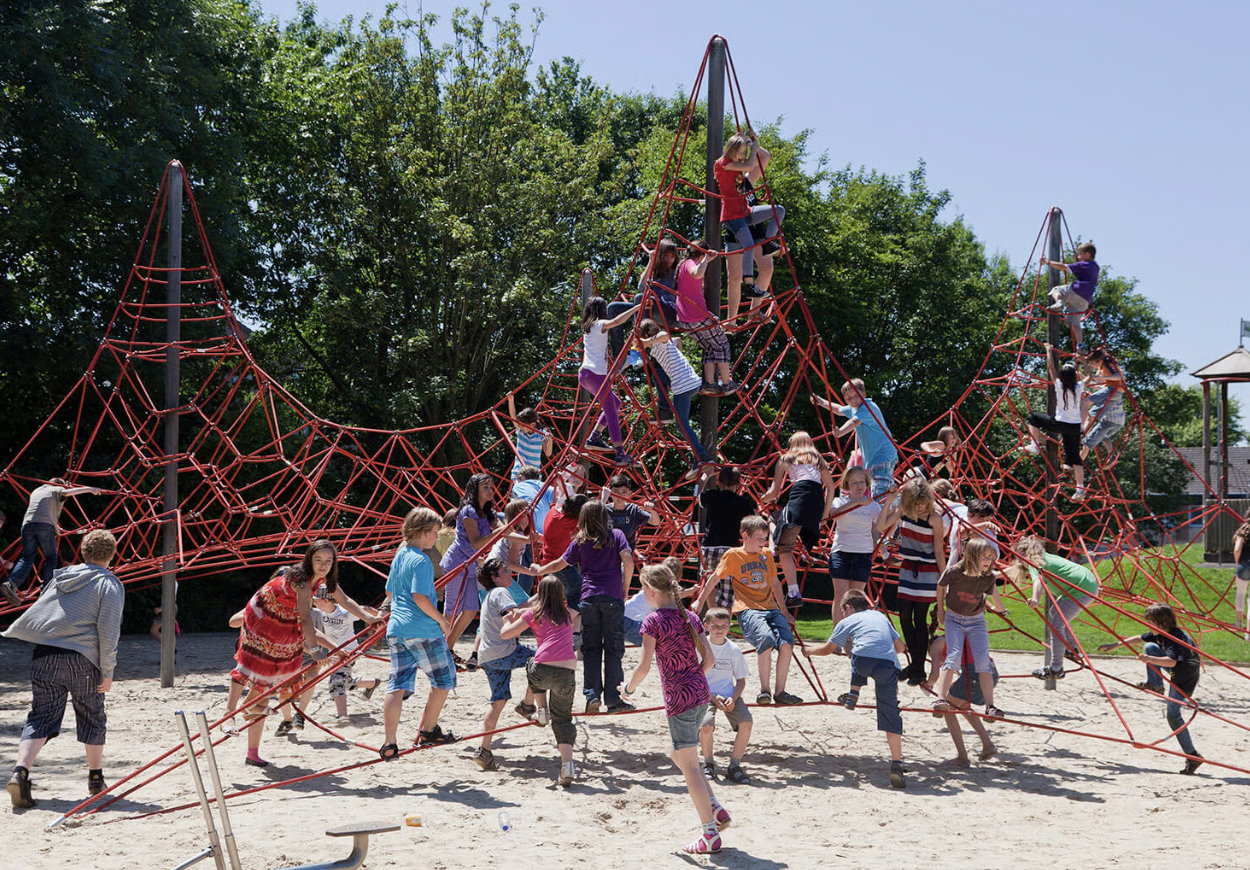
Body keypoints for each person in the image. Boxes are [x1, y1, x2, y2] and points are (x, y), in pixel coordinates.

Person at [4, 530, 123, 808]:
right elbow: (108, 631)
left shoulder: (59, 578)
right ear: (112, 554)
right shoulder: (109, 584)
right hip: (82, 659)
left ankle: (20, 773)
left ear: (82, 551)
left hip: (43, 654)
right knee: (92, 715)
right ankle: (96, 779)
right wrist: (108, 670)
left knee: (41, 717)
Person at [622, 564, 731, 855]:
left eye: (642, 588)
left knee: (690, 766)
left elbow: (644, 666)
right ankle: (715, 808)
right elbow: (708, 660)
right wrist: (693, 676)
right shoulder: (691, 617)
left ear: (652, 591)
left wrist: (629, 690)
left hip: (679, 698)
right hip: (699, 692)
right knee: (679, 756)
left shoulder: (653, 621)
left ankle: (709, 834)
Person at [533, 500, 635, 714]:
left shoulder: (580, 541)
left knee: (590, 649)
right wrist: (625, 587)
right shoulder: (616, 535)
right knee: (614, 649)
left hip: (588, 598)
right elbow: (628, 560)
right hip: (612, 597)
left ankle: (592, 697)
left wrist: (538, 570)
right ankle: (614, 700)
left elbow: (559, 564)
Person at [692, 515, 802, 706]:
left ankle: (780, 691)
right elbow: (714, 579)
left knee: (786, 643)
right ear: (745, 536)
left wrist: (784, 611)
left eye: (765, 538)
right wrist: (700, 602)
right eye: (759, 538)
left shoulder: (766, 554)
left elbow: (775, 583)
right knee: (766, 640)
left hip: (771, 608)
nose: (764, 542)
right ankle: (764, 691)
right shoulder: (733, 555)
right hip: (748, 608)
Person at [804, 589, 908, 789]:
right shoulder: (880, 616)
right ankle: (896, 763)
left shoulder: (847, 621)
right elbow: (900, 647)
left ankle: (854, 693)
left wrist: (809, 651)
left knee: (857, 651)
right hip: (887, 666)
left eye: (843, 611)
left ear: (848, 607)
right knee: (890, 713)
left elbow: (828, 649)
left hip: (862, 662)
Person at [229, 563, 328, 766]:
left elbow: (305, 636)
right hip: (258, 656)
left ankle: (252, 752)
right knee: (258, 701)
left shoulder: (296, 609)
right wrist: (264, 620)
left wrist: (328, 651)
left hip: (279, 659)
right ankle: (242, 721)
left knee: (263, 702)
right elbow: (234, 620)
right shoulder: (266, 601)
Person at [380, 507, 458, 761]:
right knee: (444, 678)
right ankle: (428, 730)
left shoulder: (400, 554)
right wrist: (443, 622)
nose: (436, 538)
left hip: (397, 629)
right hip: (422, 629)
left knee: (397, 684)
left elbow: (390, 592)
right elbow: (420, 597)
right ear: (424, 532)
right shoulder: (421, 560)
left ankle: (390, 742)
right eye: (435, 532)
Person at [279, 539, 382, 734]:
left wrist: (371, 619)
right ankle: (372, 682)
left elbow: (350, 602)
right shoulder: (304, 586)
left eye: (329, 561)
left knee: (335, 680)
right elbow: (306, 622)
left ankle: (338, 716)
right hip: (329, 649)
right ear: (309, 560)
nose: (324, 565)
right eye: (318, 560)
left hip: (346, 650)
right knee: (343, 680)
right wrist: (316, 650)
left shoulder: (331, 595)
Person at [1099, 603, 1203, 774]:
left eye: (1150, 622)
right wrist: (1114, 645)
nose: (1147, 625)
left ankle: (1193, 756)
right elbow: (1139, 638)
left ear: (1161, 624)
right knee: (1149, 646)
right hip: (1178, 667)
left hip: (1185, 675)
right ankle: (1156, 685)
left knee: (1173, 716)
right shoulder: (1160, 633)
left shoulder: (1173, 638)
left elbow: (1171, 662)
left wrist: (1148, 659)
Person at [501, 575, 580, 786]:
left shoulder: (533, 613)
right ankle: (568, 765)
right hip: (567, 670)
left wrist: (507, 618)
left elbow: (506, 634)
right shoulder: (566, 613)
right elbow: (578, 610)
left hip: (542, 667)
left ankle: (541, 708)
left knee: (531, 666)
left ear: (539, 594)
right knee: (563, 719)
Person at [880, 476, 947, 685]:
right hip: (908, 569)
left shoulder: (934, 518)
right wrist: (891, 500)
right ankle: (915, 665)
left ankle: (918, 668)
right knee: (904, 616)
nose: (920, 507)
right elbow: (881, 525)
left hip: (928, 572)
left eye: (923, 502)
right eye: (916, 502)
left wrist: (944, 579)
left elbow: (938, 549)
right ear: (909, 501)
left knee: (919, 619)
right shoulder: (904, 511)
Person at [1007, 536, 1100, 687]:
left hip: (1082, 590)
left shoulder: (1035, 562)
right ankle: (1071, 648)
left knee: (1056, 625)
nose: (1017, 559)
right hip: (1083, 585)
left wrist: (1035, 599)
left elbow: (1038, 581)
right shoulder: (1043, 558)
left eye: (1018, 555)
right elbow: (1018, 570)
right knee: (1053, 614)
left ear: (1025, 553)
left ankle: (1056, 668)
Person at [931, 539, 1008, 719]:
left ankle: (990, 706)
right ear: (972, 557)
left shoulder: (987, 577)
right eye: (985, 557)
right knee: (954, 655)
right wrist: (940, 610)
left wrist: (1001, 608)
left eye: (990, 557)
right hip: (954, 619)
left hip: (976, 621)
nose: (988, 561)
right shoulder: (955, 572)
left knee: (983, 662)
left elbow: (993, 593)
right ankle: (940, 699)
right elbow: (940, 586)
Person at [473, 556, 537, 772]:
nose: (510, 574)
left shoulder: (491, 594)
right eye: (505, 571)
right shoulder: (501, 593)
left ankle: (484, 748)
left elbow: (517, 609)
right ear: (494, 577)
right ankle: (528, 704)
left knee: (498, 700)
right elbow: (511, 621)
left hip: (488, 656)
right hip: (504, 651)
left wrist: (539, 598)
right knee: (541, 660)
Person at [760, 431, 836, 607]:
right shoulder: (818, 459)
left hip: (799, 500)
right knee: (780, 522)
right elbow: (831, 488)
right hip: (815, 505)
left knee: (783, 543)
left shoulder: (786, 458)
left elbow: (774, 492)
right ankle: (775, 552)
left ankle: (792, 590)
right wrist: (824, 515)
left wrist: (760, 499)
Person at [714, 130, 783, 323]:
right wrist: (745, 149)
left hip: (753, 225)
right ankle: (731, 319)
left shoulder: (748, 180)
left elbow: (764, 157)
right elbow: (737, 163)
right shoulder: (732, 173)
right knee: (734, 276)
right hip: (736, 224)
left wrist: (753, 143)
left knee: (767, 267)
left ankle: (754, 310)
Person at [2, 478, 104, 603]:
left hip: (27, 525)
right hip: (44, 526)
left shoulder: (37, 490)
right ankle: (46, 589)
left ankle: (11, 583)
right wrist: (90, 489)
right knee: (51, 557)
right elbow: (65, 493)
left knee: (27, 558)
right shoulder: (55, 487)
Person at [636, 319, 716, 474]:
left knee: (682, 425)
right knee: (658, 375)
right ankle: (665, 410)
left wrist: (645, 341)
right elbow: (677, 340)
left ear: (646, 335)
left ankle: (702, 458)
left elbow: (665, 335)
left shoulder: (660, 341)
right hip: (690, 381)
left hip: (684, 386)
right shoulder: (659, 347)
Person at [440, 473, 499, 665]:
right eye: (486, 488)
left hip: (472, 564)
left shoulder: (488, 511)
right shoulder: (468, 511)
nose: (491, 491)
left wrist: (533, 538)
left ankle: (447, 648)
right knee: (452, 608)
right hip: (458, 563)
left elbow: (507, 529)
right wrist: (499, 532)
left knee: (471, 609)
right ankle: (437, 650)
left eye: (491, 487)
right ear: (475, 490)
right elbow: (475, 543)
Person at [1022, 342, 1087, 501]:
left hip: (1060, 424)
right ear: (1075, 376)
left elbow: (1051, 369)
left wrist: (1048, 351)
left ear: (1062, 377)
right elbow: (1090, 376)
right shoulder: (1079, 387)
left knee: (1034, 418)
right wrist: (1082, 360)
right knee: (1075, 460)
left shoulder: (1059, 386)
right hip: (1074, 428)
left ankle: (1035, 444)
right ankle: (1080, 489)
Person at [579, 295, 641, 466]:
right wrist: (636, 308)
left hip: (586, 375)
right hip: (594, 375)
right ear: (601, 310)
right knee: (612, 413)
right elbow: (616, 321)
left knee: (616, 403)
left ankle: (595, 437)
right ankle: (620, 454)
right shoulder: (599, 324)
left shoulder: (588, 327)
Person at [813, 379, 898, 497]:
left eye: (856, 396)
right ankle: (895, 509)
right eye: (848, 398)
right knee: (884, 488)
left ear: (864, 394)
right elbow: (838, 410)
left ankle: (885, 511)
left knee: (880, 491)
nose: (853, 400)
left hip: (883, 454)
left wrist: (841, 431)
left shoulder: (868, 407)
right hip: (874, 457)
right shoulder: (854, 408)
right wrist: (821, 401)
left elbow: (854, 422)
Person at [697, 607, 753, 785]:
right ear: (706, 626)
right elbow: (695, 678)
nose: (719, 629)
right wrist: (713, 697)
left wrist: (734, 698)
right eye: (715, 626)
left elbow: (741, 681)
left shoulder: (734, 649)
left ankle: (734, 766)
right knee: (706, 726)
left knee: (746, 722)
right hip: (705, 694)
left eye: (723, 626)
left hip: (729, 694)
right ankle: (708, 764)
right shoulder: (701, 647)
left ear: (730, 627)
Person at [673, 240, 737, 394]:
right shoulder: (690, 264)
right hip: (697, 317)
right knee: (722, 345)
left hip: (684, 320)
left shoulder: (681, 265)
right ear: (701, 254)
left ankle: (709, 384)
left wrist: (708, 259)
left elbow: (693, 283)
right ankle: (727, 383)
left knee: (710, 347)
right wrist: (707, 259)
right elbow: (697, 273)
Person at [827, 466, 888, 627]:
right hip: (841, 552)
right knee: (840, 596)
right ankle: (837, 636)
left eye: (862, 481)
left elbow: (880, 527)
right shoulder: (840, 501)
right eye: (854, 482)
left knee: (856, 598)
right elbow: (834, 515)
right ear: (847, 484)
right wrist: (856, 502)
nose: (859, 485)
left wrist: (890, 504)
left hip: (863, 554)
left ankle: (853, 635)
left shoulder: (873, 505)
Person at [926, 633, 998, 766]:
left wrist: (926, 683)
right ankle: (987, 744)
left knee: (948, 710)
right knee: (963, 706)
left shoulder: (936, 645)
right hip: (991, 672)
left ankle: (962, 756)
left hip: (974, 674)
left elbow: (935, 673)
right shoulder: (956, 636)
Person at [311, 586, 380, 722]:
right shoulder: (318, 614)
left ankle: (343, 717)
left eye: (315, 600)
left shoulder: (345, 612)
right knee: (345, 682)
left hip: (349, 652)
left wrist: (379, 618)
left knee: (336, 681)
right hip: (334, 654)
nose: (313, 602)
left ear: (325, 600)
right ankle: (371, 683)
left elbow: (365, 609)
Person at [698, 466, 756, 611]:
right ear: (738, 484)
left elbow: (697, 496)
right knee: (729, 587)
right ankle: (724, 622)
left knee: (709, 581)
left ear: (719, 482)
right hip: (731, 547)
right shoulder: (742, 502)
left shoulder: (711, 496)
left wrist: (705, 476)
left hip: (710, 545)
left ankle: (712, 614)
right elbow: (754, 520)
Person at [1041, 242, 1099, 349]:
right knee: (1074, 322)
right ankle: (1080, 344)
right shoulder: (1095, 267)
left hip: (1077, 290)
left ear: (1087, 254)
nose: (1078, 256)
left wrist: (1047, 262)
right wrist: (1079, 260)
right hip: (1086, 299)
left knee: (1056, 289)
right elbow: (1083, 272)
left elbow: (1063, 267)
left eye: (1080, 254)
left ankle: (1059, 302)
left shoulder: (1083, 264)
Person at [625, 556, 686, 645]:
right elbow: (675, 596)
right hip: (632, 624)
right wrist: (693, 591)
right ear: (679, 578)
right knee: (664, 639)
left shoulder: (652, 586)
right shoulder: (659, 594)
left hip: (621, 619)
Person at [1081, 347, 1126, 461]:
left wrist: (1100, 377)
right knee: (1092, 414)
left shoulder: (1106, 366)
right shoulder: (1106, 365)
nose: (1091, 366)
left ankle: (1081, 429)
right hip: (1115, 393)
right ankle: (1083, 433)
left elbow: (1118, 377)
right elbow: (1096, 385)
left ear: (1099, 361)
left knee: (1086, 403)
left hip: (1113, 391)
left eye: (1092, 363)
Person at [601, 473, 661, 558]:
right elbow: (591, 520)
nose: (620, 496)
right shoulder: (604, 509)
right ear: (610, 493)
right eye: (616, 492)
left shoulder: (633, 510)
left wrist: (652, 511)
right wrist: (603, 499)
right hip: (606, 552)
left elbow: (655, 522)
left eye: (624, 492)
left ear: (630, 493)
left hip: (625, 552)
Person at [504, 393, 552, 481]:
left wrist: (550, 440)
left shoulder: (541, 434)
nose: (520, 427)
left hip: (534, 474)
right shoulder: (521, 432)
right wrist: (511, 400)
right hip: (519, 472)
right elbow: (512, 415)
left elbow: (548, 453)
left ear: (532, 424)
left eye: (523, 425)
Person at [511, 465, 555, 539]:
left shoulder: (518, 486)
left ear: (521, 477)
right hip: (545, 529)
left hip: (528, 528)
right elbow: (555, 497)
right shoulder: (544, 485)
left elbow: (512, 508)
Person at [1234, 515, 1250, 641]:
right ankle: (1248, 632)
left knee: (1240, 594)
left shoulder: (1243, 531)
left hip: (1244, 565)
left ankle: (1239, 624)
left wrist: (1237, 563)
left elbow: (1237, 549)